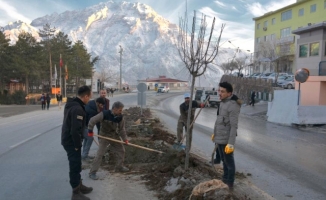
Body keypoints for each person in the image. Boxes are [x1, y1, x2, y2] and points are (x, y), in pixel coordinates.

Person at [61, 86, 93, 200]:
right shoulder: (78, 109)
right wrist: (77, 145)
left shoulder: (72, 104)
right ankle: (75, 193)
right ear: (85, 96)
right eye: (89, 97)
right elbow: (75, 130)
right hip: (72, 142)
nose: (89, 100)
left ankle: (79, 185)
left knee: (77, 163)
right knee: (74, 165)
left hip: (69, 140)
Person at [88, 101, 129, 180]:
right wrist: (90, 130)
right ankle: (92, 172)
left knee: (121, 150)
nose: (121, 111)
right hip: (104, 135)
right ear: (114, 109)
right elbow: (92, 120)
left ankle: (119, 167)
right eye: (120, 110)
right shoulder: (104, 114)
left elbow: (122, 129)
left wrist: (125, 139)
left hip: (113, 135)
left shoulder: (120, 117)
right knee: (100, 154)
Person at [212, 82, 241, 191]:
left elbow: (234, 126)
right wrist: (215, 133)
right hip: (220, 137)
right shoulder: (222, 103)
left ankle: (229, 183)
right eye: (219, 91)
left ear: (229, 93)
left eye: (223, 91)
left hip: (227, 138)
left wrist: (231, 143)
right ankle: (224, 179)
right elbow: (219, 121)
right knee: (224, 160)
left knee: (229, 162)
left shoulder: (233, 105)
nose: (220, 93)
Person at [82, 97, 106, 161]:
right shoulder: (92, 109)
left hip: (84, 125)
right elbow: (91, 122)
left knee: (87, 138)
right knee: (90, 138)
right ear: (98, 103)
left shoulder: (93, 105)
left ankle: (84, 154)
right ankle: (84, 155)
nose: (102, 107)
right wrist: (90, 131)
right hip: (82, 125)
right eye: (101, 105)